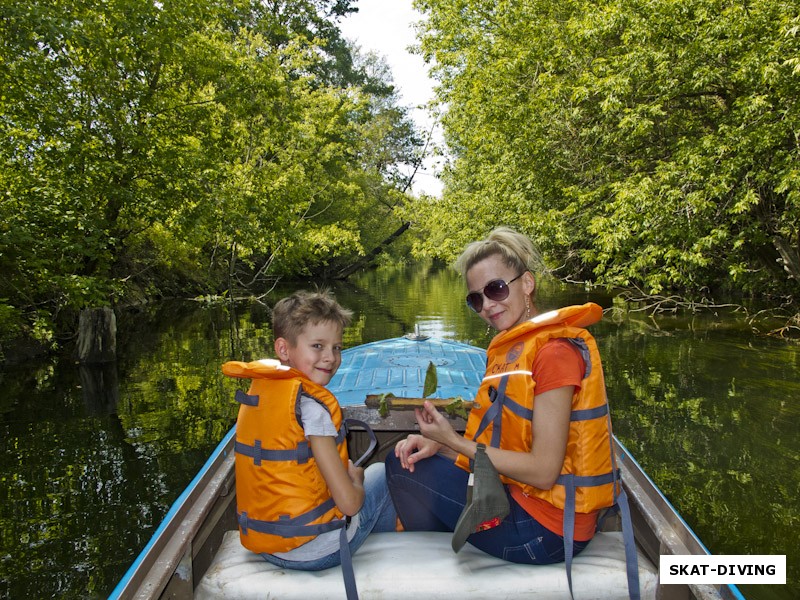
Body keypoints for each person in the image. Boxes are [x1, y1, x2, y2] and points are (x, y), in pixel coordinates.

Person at [385, 227, 632, 593]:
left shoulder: (553, 353)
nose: (487, 305)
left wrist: (453, 439)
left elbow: (544, 471)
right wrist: (443, 446)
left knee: (398, 468)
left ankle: (434, 578)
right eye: (475, 299)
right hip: (524, 502)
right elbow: (511, 441)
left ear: (527, 283)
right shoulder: (516, 349)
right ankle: (452, 552)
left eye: (496, 289)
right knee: (416, 459)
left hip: (545, 533)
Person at [222, 290, 397, 599]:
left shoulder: (259, 394)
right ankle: (392, 541)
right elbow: (350, 504)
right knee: (383, 472)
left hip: (266, 546)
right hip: (314, 552)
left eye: (337, 348)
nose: (330, 357)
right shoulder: (313, 408)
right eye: (318, 346)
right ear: (283, 349)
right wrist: (355, 480)